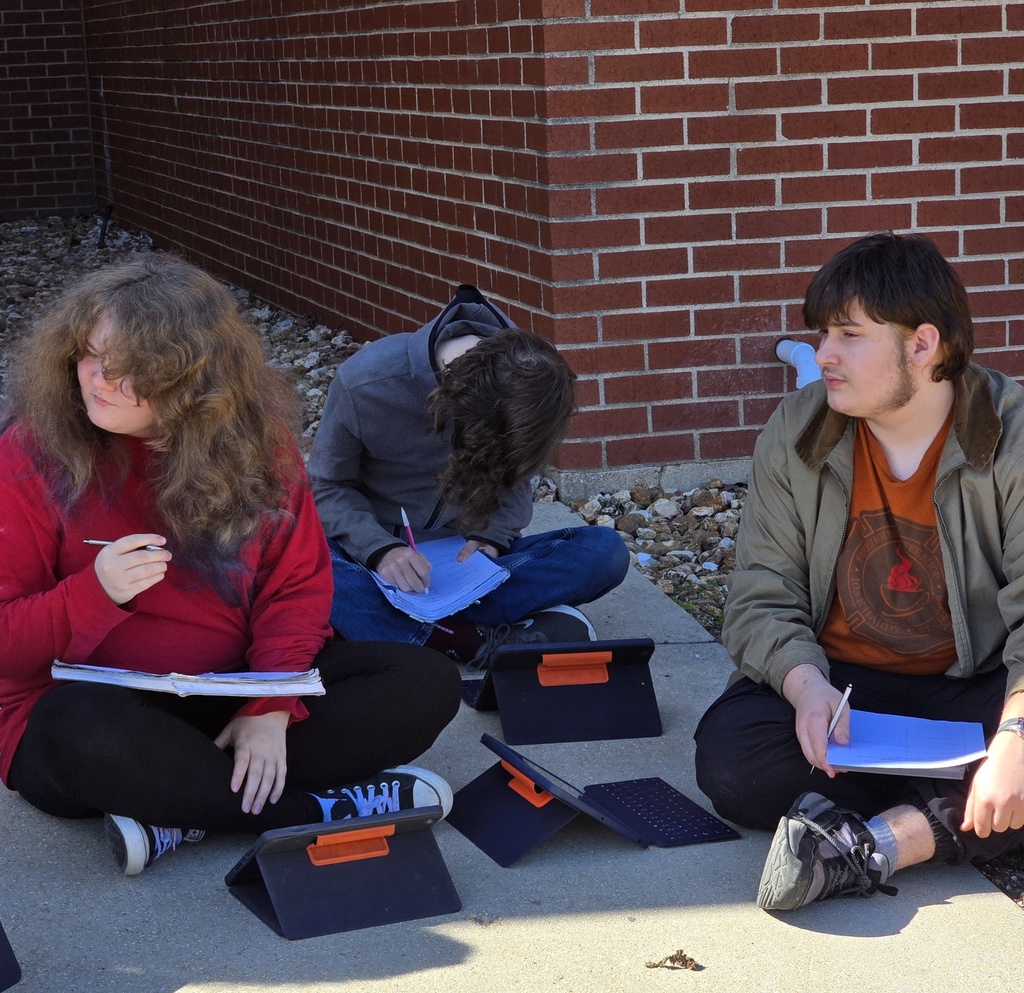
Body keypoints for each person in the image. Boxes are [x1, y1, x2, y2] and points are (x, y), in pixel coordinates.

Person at [0, 255, 462, 875]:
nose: (100, 380)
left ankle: (179, 812)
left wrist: (271, 704)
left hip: (231, 690)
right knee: (78, 730)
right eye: (89, 354)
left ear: (192, 378)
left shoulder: (255, 445)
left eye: (132, 368)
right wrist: (94, 593)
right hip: (97, 707)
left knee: (423, 681)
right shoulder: (31, 452)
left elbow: (295, 587)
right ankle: (319, 810)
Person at [693, 232, 1024, 911]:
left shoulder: (1011, 437)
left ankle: (877, 843)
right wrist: (805, 685)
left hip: (976, 685)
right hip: (842, 690)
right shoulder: (799, 428)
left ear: (922, 345)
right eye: (823, 334)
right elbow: (761, 596)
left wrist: (1016, 736)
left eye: (849, 335)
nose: (823, 355)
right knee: (730, 758)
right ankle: (959, 801)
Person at [308, 284, 629, 667]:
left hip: (463, 560)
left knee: (605, 552)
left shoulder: (531, 381)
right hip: (372, 558)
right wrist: (380, 551)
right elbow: (327, 485)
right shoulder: (365, 382)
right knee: (308, 565)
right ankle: (462, 640)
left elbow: (516, 478)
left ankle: (403, 625)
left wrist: (491, 538)